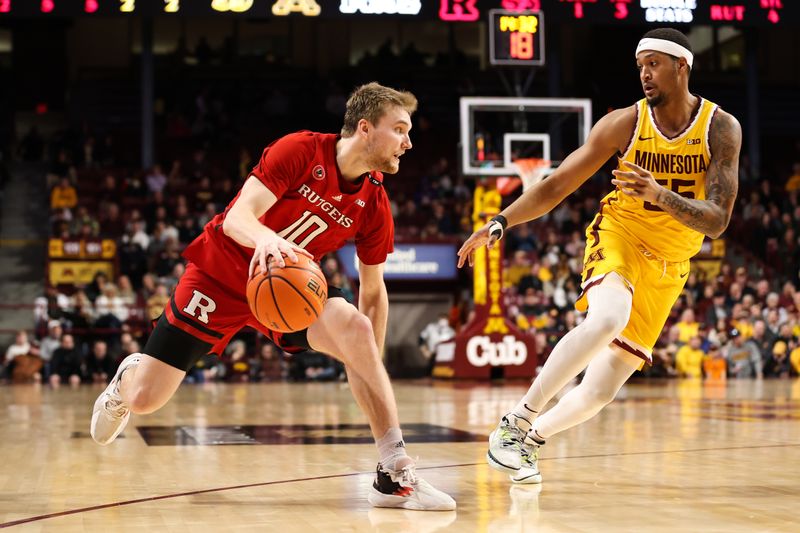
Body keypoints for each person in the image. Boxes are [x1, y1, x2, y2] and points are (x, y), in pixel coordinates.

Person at [90, 82, 455, 511]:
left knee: (356, 328)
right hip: (221, 276)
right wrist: (265, 240)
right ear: (365, 129)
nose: (408, 143)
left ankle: (393, 474)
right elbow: (238, 218)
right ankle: (126, 380)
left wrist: (368, 361)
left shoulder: (374, 203)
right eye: (400, 130)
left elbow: (373, 291)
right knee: (145, 400)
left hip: (289, 290)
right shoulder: (300, 150)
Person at [457, 28, 741, 485]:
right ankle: (516, 421)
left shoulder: (720, 128)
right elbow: (553, 186)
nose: (645, 74)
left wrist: (659, 193)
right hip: (622, 235)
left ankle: (529, 443)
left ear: (681, 66)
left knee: (599, 392)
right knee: (607, 317)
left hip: (671, 263)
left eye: (654, 64)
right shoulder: (623, 124)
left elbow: (717, 220)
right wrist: (499, 222)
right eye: (641, 66)